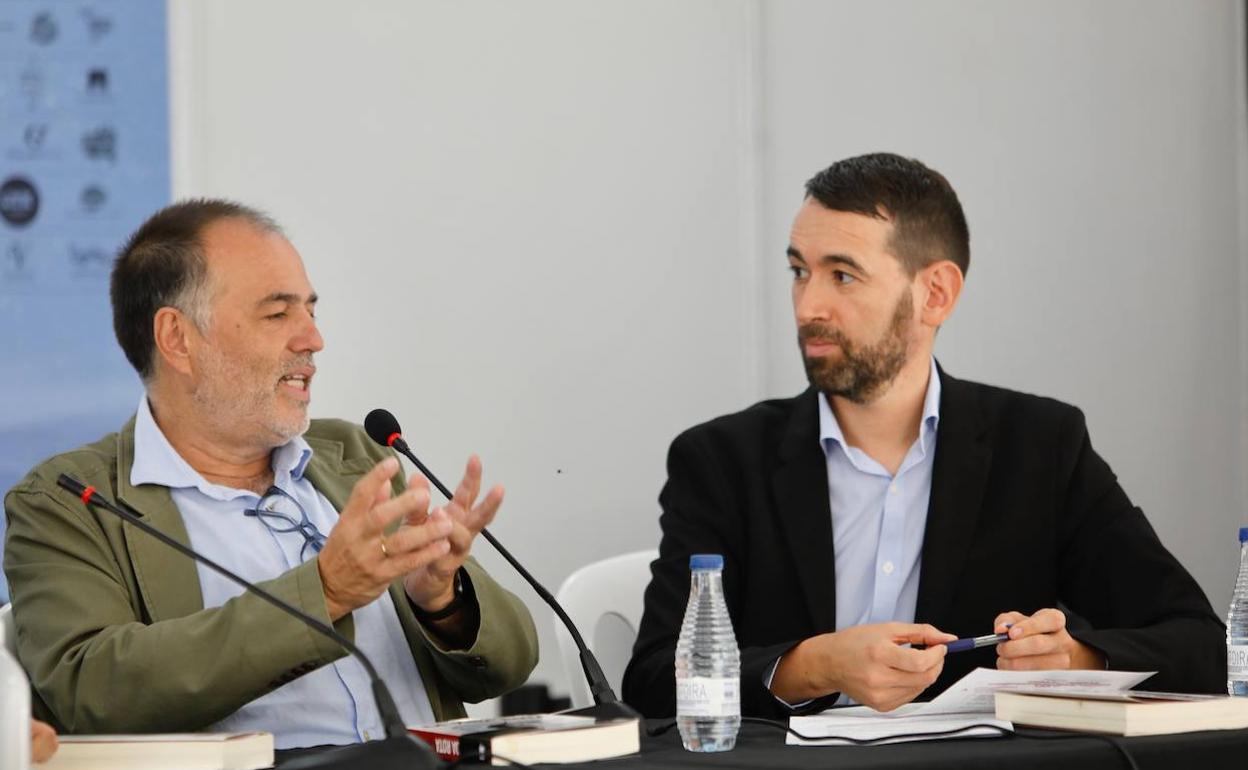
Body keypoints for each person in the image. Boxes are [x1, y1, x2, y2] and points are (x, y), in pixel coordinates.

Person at [623, 153, 1225, 718]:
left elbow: (1201, 643)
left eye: (843, 276)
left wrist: (1076, 660)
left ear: (935, 293)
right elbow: (653, 680)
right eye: (800, 272)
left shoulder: (1041, 447)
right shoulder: (722, 460)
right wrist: (815, 665)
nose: (809, 305)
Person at [3, 200, 538, 748]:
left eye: (311, 310)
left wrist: (442, 600)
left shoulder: (352, 452)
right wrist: (324, 592)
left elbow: (511, 665)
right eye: (278, 314)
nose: (312, 339)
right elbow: (93, 692)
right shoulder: (69, 501)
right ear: (178, 339)